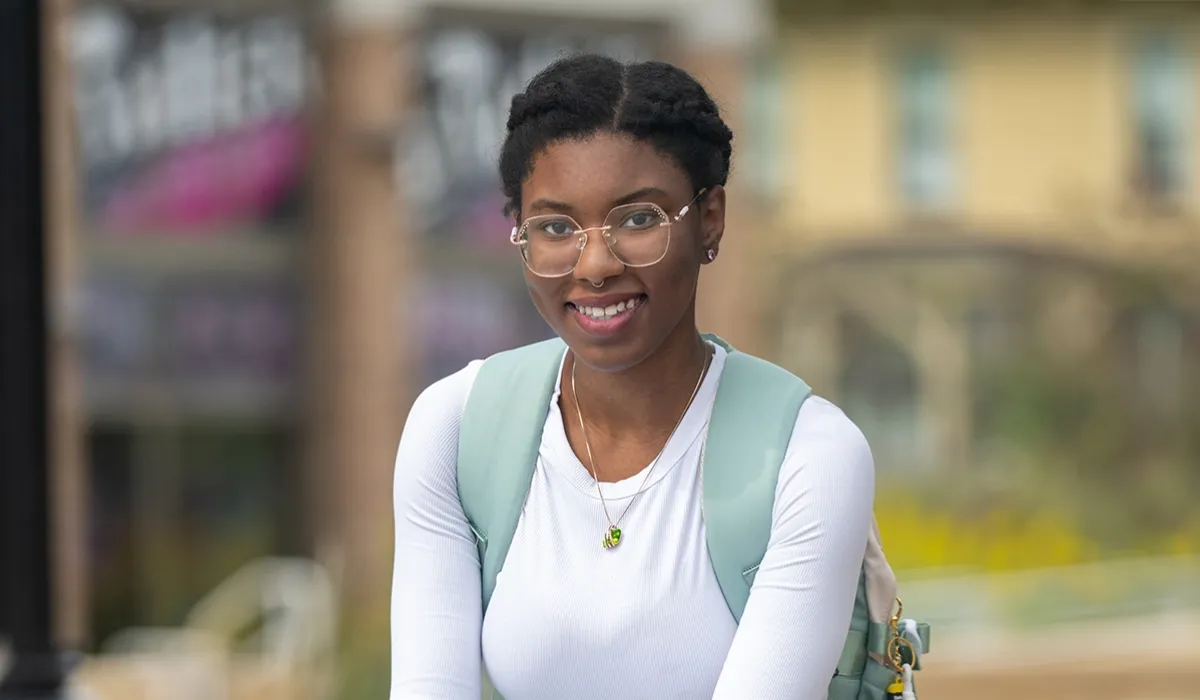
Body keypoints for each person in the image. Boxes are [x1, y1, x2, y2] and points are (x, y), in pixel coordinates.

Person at [389, 54, 876, 700]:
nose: (594, 264)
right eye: (556, 227)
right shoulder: (456, 430)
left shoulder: (806, 456)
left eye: (639, 219)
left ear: (710, 218)